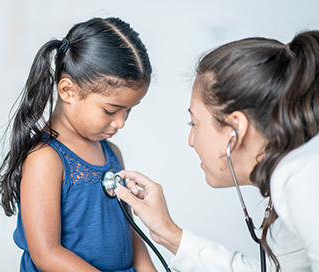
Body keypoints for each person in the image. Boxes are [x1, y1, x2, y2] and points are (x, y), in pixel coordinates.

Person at [115, 30, 319, 271]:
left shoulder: (301, 177)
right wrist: (169, 233)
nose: (191, 140)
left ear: (235, 128)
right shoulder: (296, 177)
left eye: (194, 124)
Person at [0, 17, 156, 272]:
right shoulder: (45, 159)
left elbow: (129, 227)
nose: (121, 123)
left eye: (129, 111)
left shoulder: (112, 153)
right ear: (68, 90)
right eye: (110, 110)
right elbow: (47, 254)